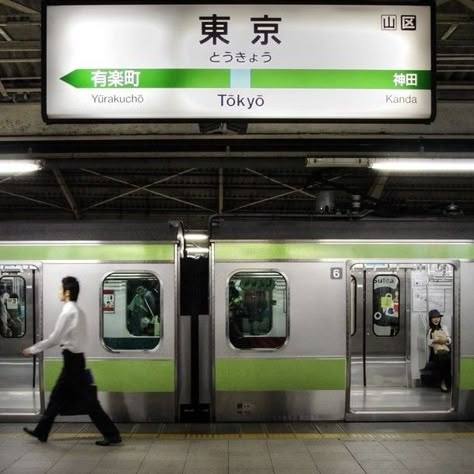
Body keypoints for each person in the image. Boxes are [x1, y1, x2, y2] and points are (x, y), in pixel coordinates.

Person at [22, 276, 122, 446]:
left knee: (86, 402)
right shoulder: (78, 312)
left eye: (60, 289)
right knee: (58, 398)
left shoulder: (68, 312)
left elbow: (54, 339)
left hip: (72, 362)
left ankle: (112, 435)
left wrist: (32, 350)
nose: (58, 292)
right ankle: (41, 432)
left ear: (67, 293)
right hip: (76, 360)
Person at [427, 308, 452, 393]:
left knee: (447, 358)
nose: (436, 319)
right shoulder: (430, 330)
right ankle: (444, 382)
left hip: (445, 350)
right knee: (442, 359)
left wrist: (446, 340)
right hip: (436, 353)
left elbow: (449, 339)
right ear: (430, 319)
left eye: (438, 317)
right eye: (434, 317)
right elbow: (428, 343)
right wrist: (435, 341)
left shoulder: (444, 328)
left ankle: (445, 381)